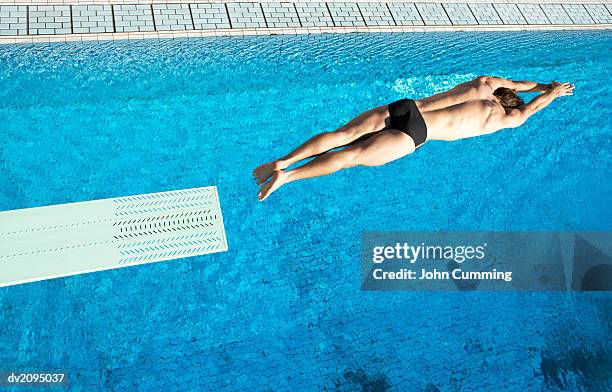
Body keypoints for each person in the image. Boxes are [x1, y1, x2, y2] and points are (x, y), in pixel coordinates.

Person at [253, 76, 574, 201]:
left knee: (343, 135)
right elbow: (531, 109)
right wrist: (554, 95)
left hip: (406, 108)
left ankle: (285, 161)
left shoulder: (485, 83)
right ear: (512, 104)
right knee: (350, 156)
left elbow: (520, 85)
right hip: (416, 134)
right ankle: (288, 177)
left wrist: (544, 85)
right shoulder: (506, 117)